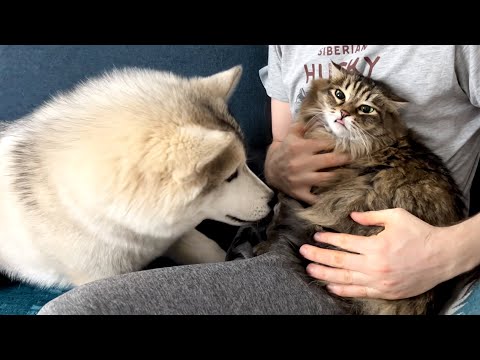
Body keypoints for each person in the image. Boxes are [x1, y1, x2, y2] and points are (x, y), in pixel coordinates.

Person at [38, 45, 480, 315]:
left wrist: (444, 253)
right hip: (278, 238)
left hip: (366, 277)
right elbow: (283, 153)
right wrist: (272, 166)